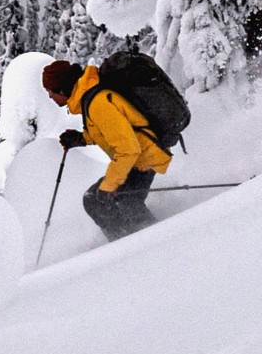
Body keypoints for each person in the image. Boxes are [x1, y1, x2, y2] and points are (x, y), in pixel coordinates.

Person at [41, 58, 171, 240]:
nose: (49, 96)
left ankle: (149, 242)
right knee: (102, 200)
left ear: (61, 90)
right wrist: (81, 138)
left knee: (117, 202)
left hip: (144, 158)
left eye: (50, 91)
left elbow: (128, 148)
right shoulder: (90, 97)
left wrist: (109, 186)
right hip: (138, 157)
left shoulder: (97, 103)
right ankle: (134, 240)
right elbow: (111, 132)